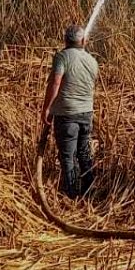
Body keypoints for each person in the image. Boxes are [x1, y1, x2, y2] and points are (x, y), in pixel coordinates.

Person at [40, 24, 100, 198]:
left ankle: (72, 194)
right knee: (84, 152)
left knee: (67, 156)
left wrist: (47, 108)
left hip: (67, 115)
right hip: (86, 114)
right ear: (83, 40)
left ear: (65, 40)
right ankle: (89, 190)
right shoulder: (92, 61)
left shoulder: (62, 57)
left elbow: (55, 83)